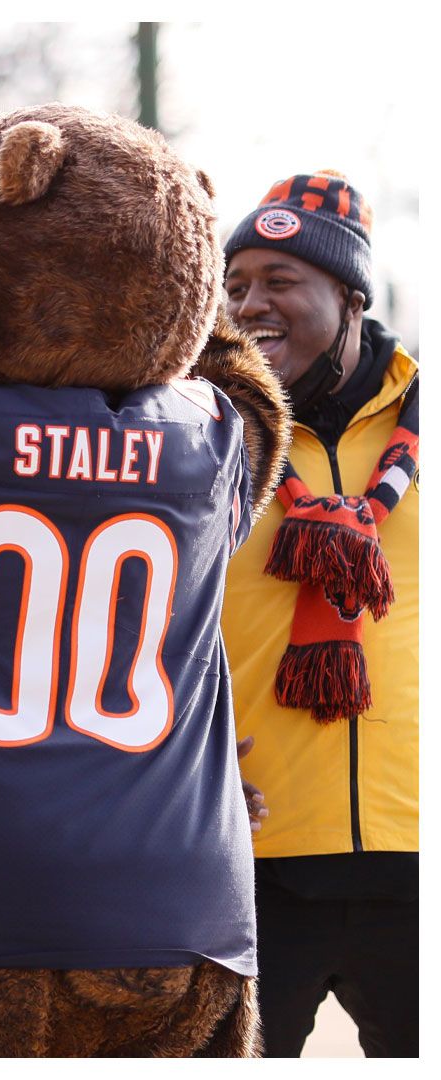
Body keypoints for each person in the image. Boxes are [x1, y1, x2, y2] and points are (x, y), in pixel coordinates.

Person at [221, 171, 418, 1058]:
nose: (249, 305)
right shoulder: (203, 434)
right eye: (235, 286)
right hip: (249, 859)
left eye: (279, 281)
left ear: (348, 294)